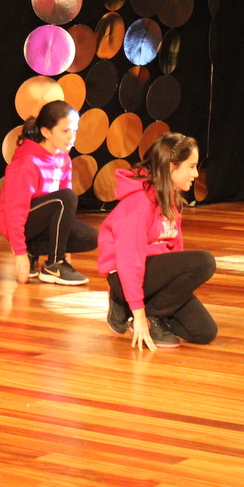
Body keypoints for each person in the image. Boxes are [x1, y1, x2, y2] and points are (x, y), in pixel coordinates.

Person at [97, 133, 217, 350]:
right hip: (124, 276)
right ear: (171, 168)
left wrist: (175, 289)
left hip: (154, 275)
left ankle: (148, 312)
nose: (195, 174)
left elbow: (175, 250)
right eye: (191, 167)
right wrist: (139, 314)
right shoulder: (139, 203)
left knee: (204, 332)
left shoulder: (170, 196)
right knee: (204, 262)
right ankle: (131, 305)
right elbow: (129, 262)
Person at [0, 100, 98, 285]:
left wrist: (65, 247)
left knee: (91, 238)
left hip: (42, 219)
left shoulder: (64, 159)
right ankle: (54, 265)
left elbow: (63, 211)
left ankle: (35, 252)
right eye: (65, 131)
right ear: (46, 132)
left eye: (74, 130)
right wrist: (19, 253)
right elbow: (14, 211)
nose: (71, 137)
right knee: (66, 197)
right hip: (18, 221)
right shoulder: (27, 163)